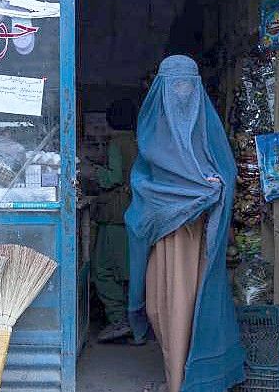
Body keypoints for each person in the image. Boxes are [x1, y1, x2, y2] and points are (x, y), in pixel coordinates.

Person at [126, 55, 245, 392]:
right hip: (165, 236)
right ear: (161, 88)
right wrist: (177, 200)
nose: (181, 92)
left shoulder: (206, 128)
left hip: (200, 237)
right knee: (160, 309)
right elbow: (143, 183)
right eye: (173, 84)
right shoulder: (152, 130)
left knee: (189, 309)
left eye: (187, 85)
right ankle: (175, 378)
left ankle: (181, 383)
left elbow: (227, 172)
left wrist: (213, 188)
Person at [92, 98, 138, 343]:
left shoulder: (117, 143)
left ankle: (120, 320)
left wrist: (90, 170)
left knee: (103, 270)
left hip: (115, 215)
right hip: (132, 214)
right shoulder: (135, 141)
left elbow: (113, 178)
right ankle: (133, 321)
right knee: (130, 270)